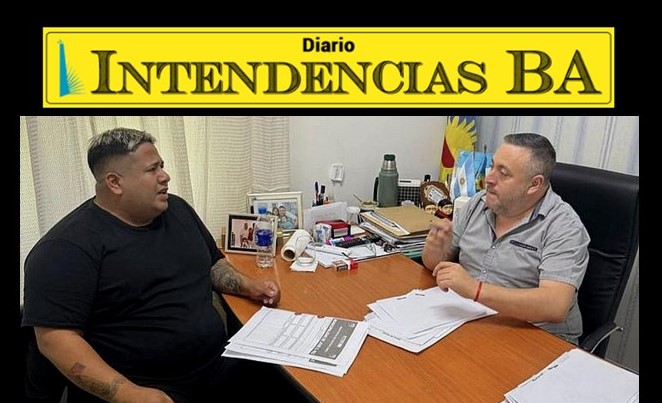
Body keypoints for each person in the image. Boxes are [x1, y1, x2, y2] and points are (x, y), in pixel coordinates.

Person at [22, 128, 282, 403]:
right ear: (115, 183)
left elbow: (212, 263)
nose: (165, 176)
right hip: (145, 389)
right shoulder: (66, 248)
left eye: (162, 166)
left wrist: (248, 285)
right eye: (152, 169)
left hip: (215, 366)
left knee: (293, 383)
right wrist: (128, 394)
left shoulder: (177, 210)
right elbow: (55, 340)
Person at [422, 132, 590, 344]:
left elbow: (555, 305)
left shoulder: (564, 227)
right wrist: (435, 250)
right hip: (473, 322)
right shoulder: (479, 203)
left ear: (534, 184)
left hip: (536, 338)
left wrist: (475, 290)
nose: (489, 179)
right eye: (492, 166)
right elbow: (436, 265)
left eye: (503, 173)